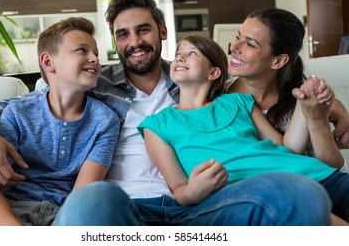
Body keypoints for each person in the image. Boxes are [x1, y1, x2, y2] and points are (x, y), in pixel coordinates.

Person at [0, 0, 333, 226]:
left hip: (193, 205)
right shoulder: (97, 83)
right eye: (122, 35)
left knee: (297, 194)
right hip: (117, 208)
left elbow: (264, 82)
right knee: (95, 199)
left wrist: (331, 107)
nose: (134, 43)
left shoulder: (194, 78)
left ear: (161, 31)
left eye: (143, 31)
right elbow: (35, 96)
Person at [137, 35, 349, 222]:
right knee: (295, 201)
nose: (179, 58)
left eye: (191, 53)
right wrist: (193, 192)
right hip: (251, 192)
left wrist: (305, 104)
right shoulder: (157, 125)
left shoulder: (238, 102)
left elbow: (284, 146)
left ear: (213, 73)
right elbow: (180, 191)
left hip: (309, 173)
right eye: (177, 54)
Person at [0, 17, 120, 225]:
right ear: (48, 62)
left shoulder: (105, 121)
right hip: (8, 211)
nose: (94, 58)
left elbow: (83, 198)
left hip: (64, 215)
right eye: (82, 50)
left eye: (96, 53)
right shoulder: (18, 113)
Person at [226, 7, 349, 172]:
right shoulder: (217, 95)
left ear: (278, 61)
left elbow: (336, 173)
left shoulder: (301, 102)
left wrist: (319, 119)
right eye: (237, 37)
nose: (233, 47)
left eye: (250, 44)